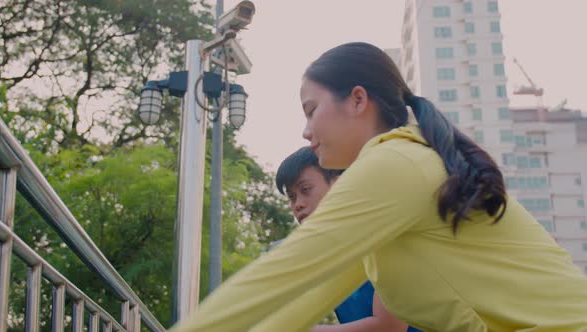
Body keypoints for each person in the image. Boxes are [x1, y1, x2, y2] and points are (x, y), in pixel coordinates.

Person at [172, 42, 587, 331]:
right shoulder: (397, 175)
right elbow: (304, 294)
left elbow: (279, 277)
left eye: (312, 110)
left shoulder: (397, 163)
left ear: (357, 100)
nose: (305, 130)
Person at [275, 146, 415, 332]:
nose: (298, 204)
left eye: (306, 189)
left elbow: (389, 327)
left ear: (339, 184)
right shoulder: (326, 254)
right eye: (292, 197)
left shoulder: (380, 235)